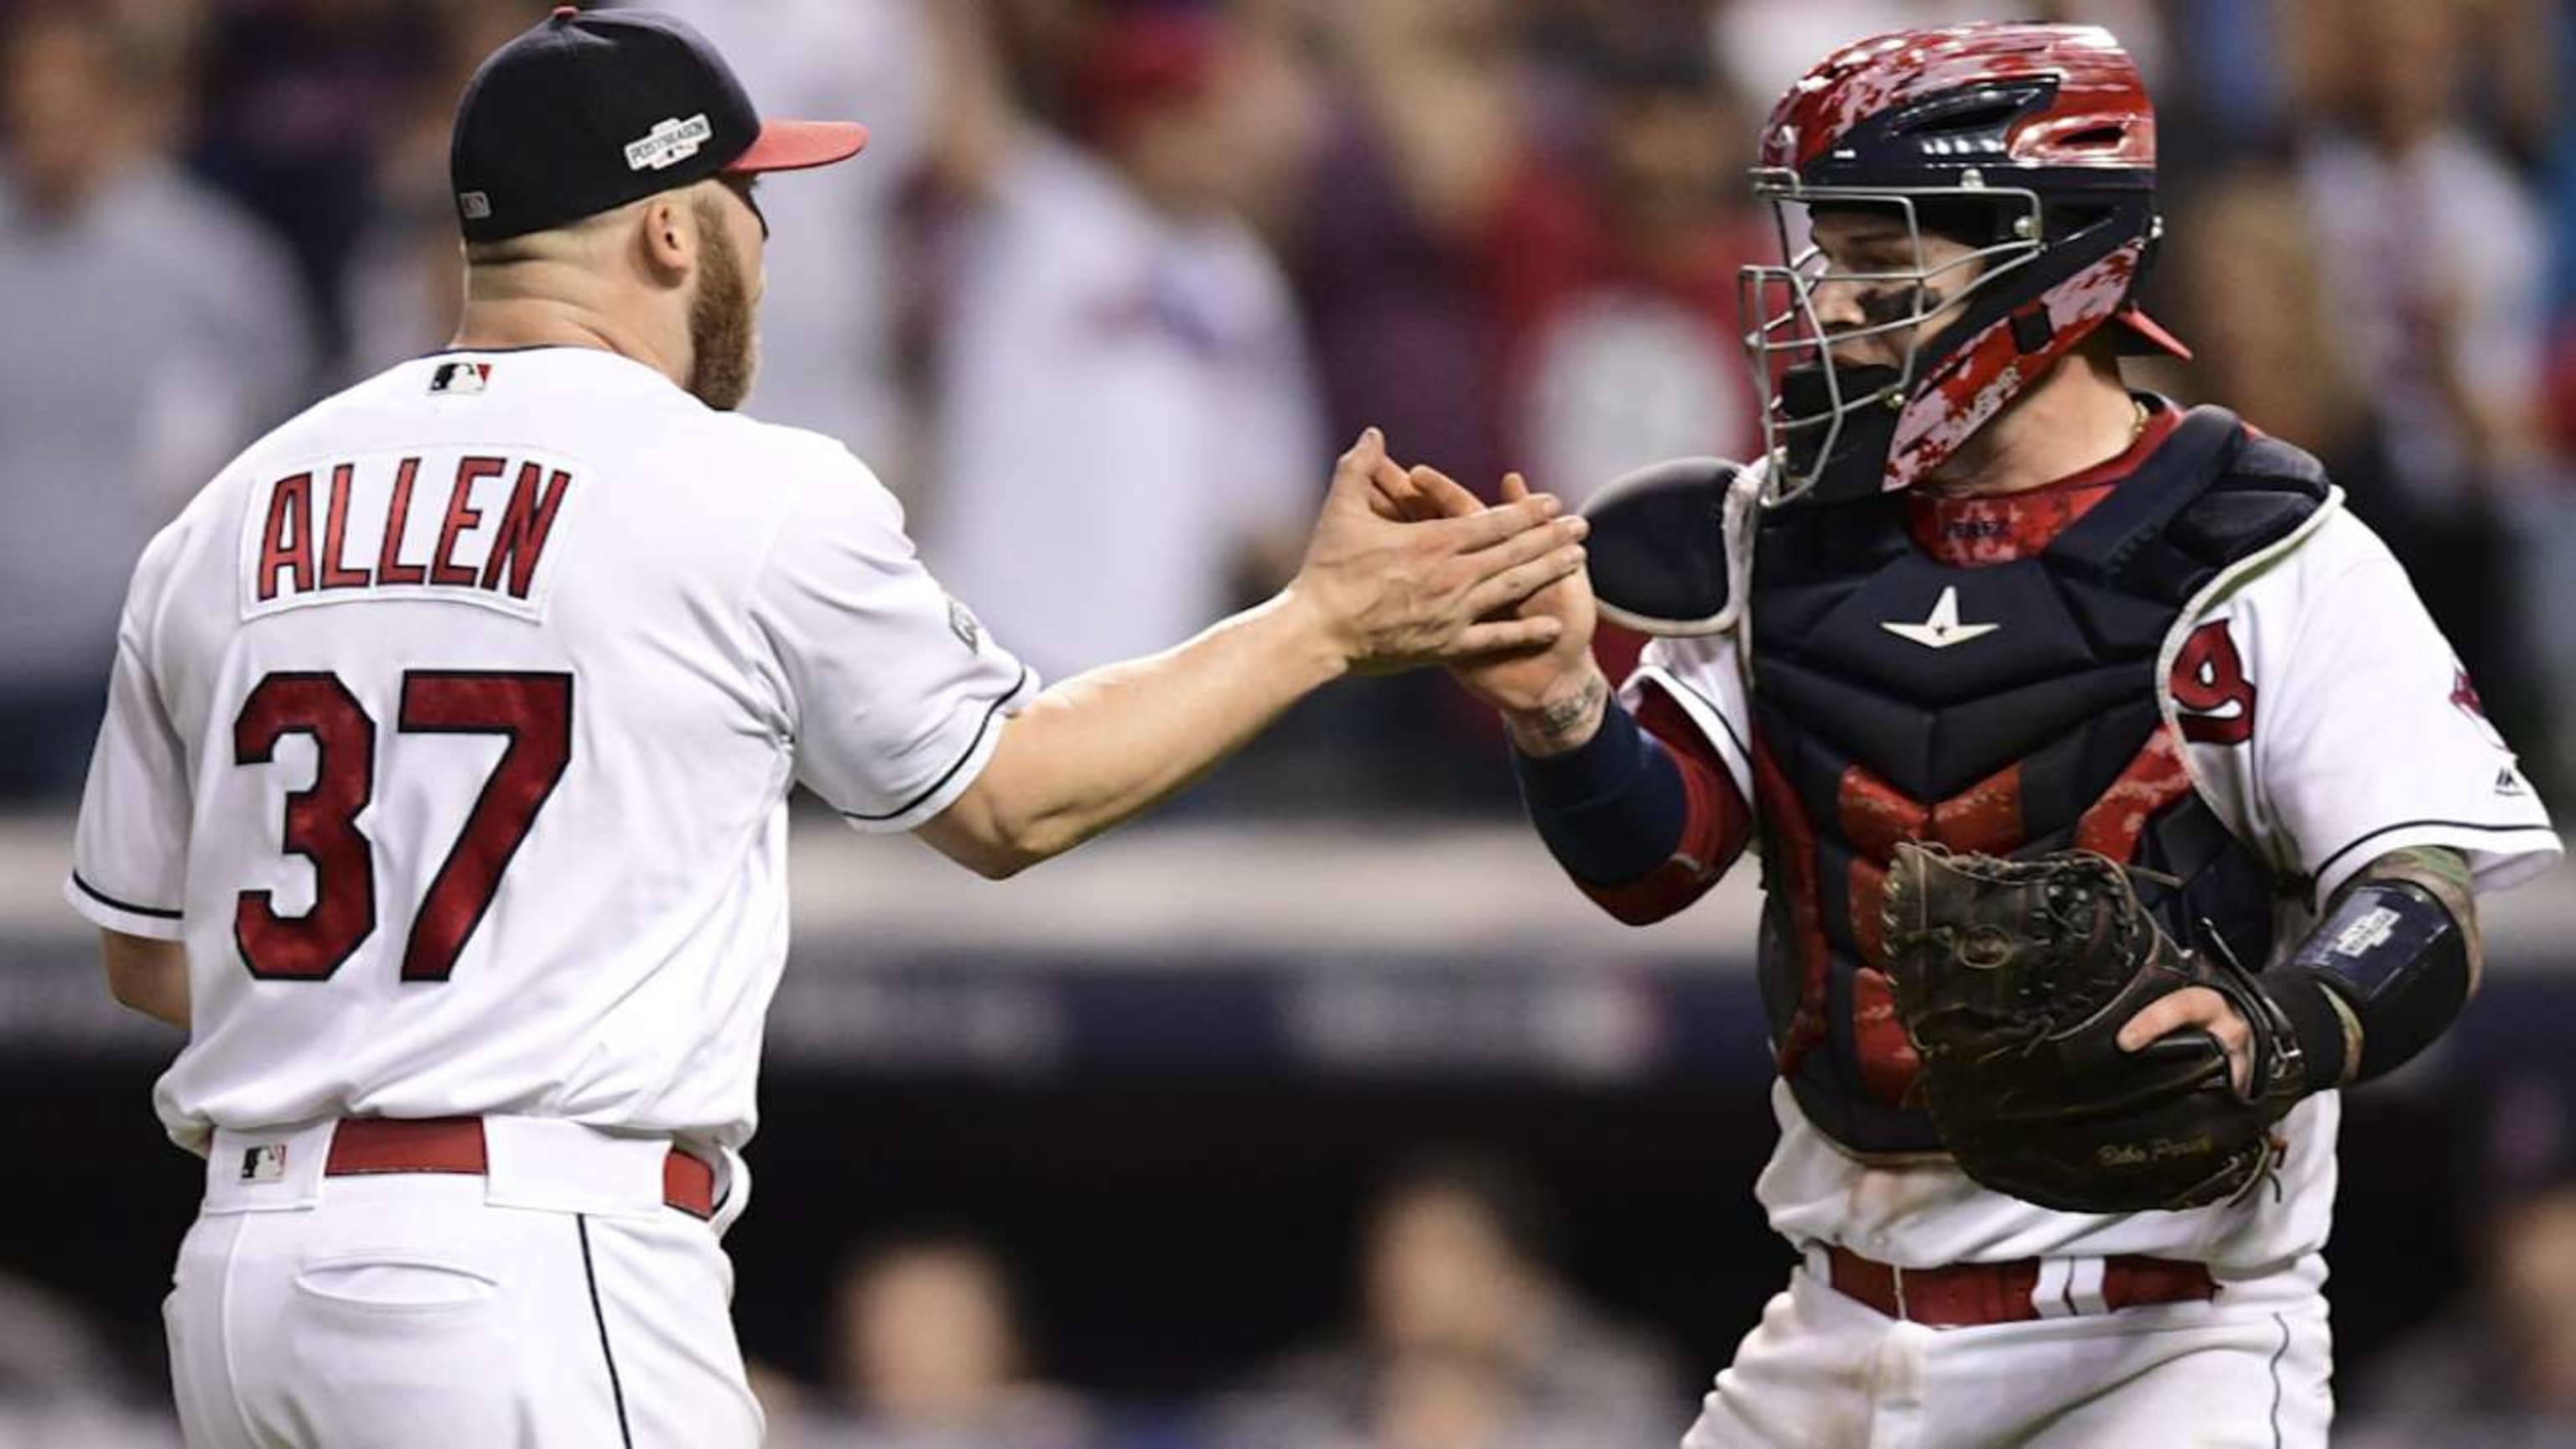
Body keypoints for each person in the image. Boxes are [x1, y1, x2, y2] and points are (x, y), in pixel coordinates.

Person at [61, 10, 1587, 1447]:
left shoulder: (239, 504)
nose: (766, 251)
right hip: (523, 1259)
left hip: (245, 1280)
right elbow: (1011, 803)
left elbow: (148, 954)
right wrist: (1318, 626)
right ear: (670, 225)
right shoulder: (742, 487)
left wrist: (384, 1027)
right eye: (750, 203)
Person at [1414, 22, 2562, 1446]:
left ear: (2050, 260)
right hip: (1834, 1326)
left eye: (1884, 267)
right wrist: (1561, 709)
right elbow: (1652, 860)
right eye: (1829, 259)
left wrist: (2282, 1024)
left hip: (2163, 1337)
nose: (1832, 311)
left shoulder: (2266, 549)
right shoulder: (1775, 529)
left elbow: (2425, 900)